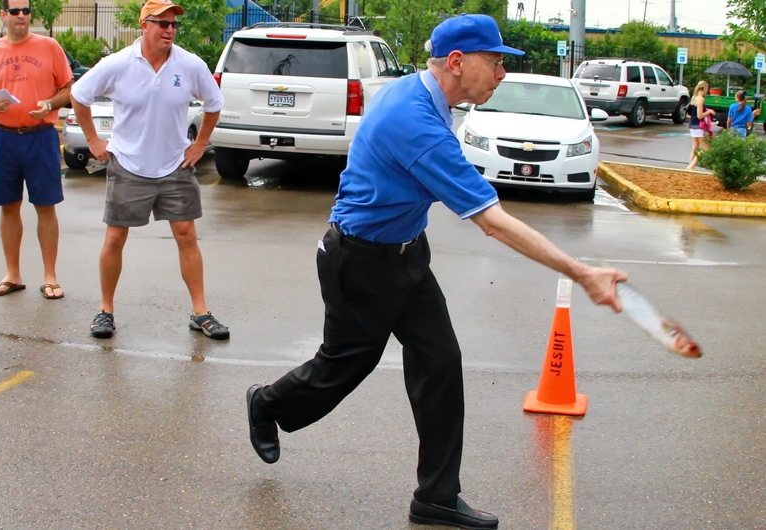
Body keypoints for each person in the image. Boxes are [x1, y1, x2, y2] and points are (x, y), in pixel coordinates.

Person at [244, 14, 628, 530]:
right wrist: (580, 272)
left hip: (406, 255)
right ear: (456, 62)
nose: (500, 74)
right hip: (359, 262)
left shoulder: (427, 97)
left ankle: (437, 497)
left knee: (441, 363)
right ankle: (267, 403)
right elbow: (493, 223)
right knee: (345, 366)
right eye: (494, 63)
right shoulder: (417, 122)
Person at [70, 0, 228, 340]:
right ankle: (105, 310)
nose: (169, 30)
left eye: (174, 25)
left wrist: (200, 144)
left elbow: (214, 104)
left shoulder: (190, 65)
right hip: (128, 164)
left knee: (186, 235)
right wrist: (93, 139)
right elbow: (78, 95)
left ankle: (200, 312)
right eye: (162, 23)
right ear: (144, 25)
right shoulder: (118, 64)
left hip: (175, 165)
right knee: (115, 237)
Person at [0, 0, 73, 300]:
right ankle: (12, 274)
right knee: (9, 205)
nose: (21, 16)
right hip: (4, 137)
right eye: (14, 11)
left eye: (25, 11)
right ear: (3, 15)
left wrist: (50, 104)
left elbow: (68, 88)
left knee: (45, 206)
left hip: (40, 137)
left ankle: (50, 276)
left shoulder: (49, 46)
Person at [686, 80, 716, 170]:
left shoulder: (694, 98)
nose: (707, 91)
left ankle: (690, 165)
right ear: (704, 88)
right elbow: (700, 116)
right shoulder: (700, 99)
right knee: (706, 148)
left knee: (695, 147)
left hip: (692, 125)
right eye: (707, 89)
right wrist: (709, 112)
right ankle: (690, 167)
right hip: (699, 126)